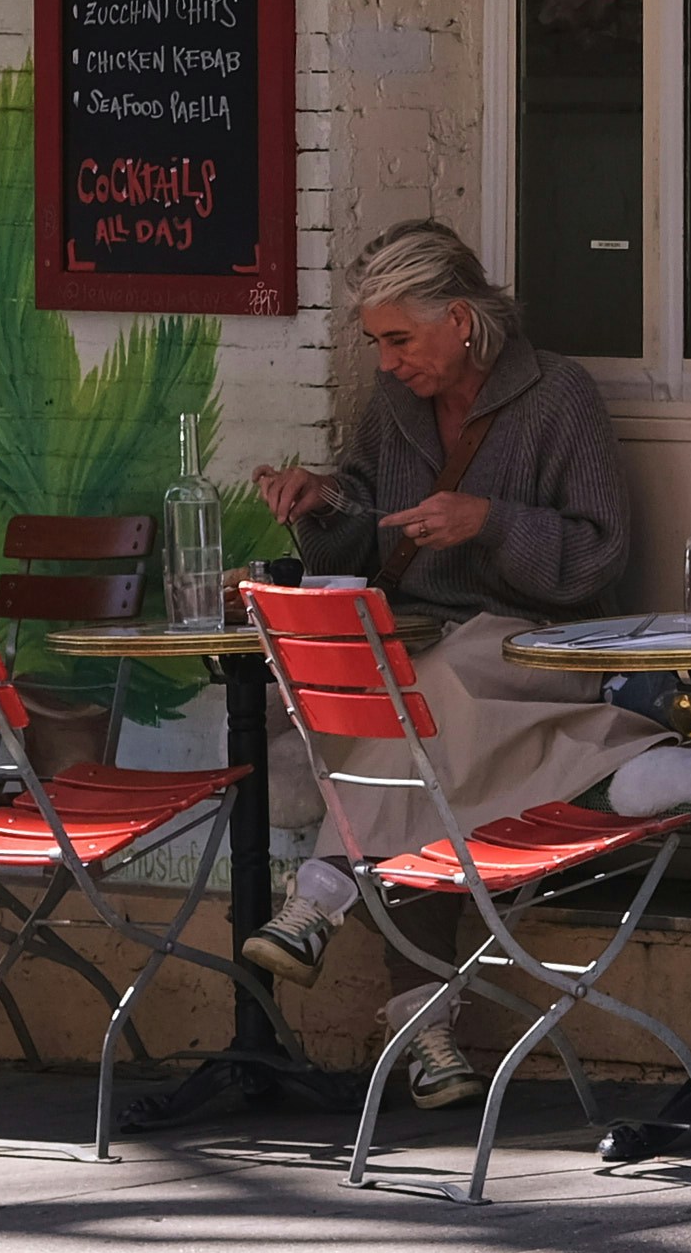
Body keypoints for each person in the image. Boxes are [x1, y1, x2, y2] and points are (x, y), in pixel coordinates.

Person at [242, 216, 638, 822]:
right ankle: (397, 901)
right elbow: (363, 533)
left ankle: (330, 885)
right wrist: (326, 498)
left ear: (458, 320)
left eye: (399, 340)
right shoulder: (397, 404)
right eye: (376, 342)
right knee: (299, 700)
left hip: (531, 647)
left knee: (427, 693)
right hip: (418, 640)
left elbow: (598, 556)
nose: (385, 363)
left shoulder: (558, 395)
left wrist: (490, 522)